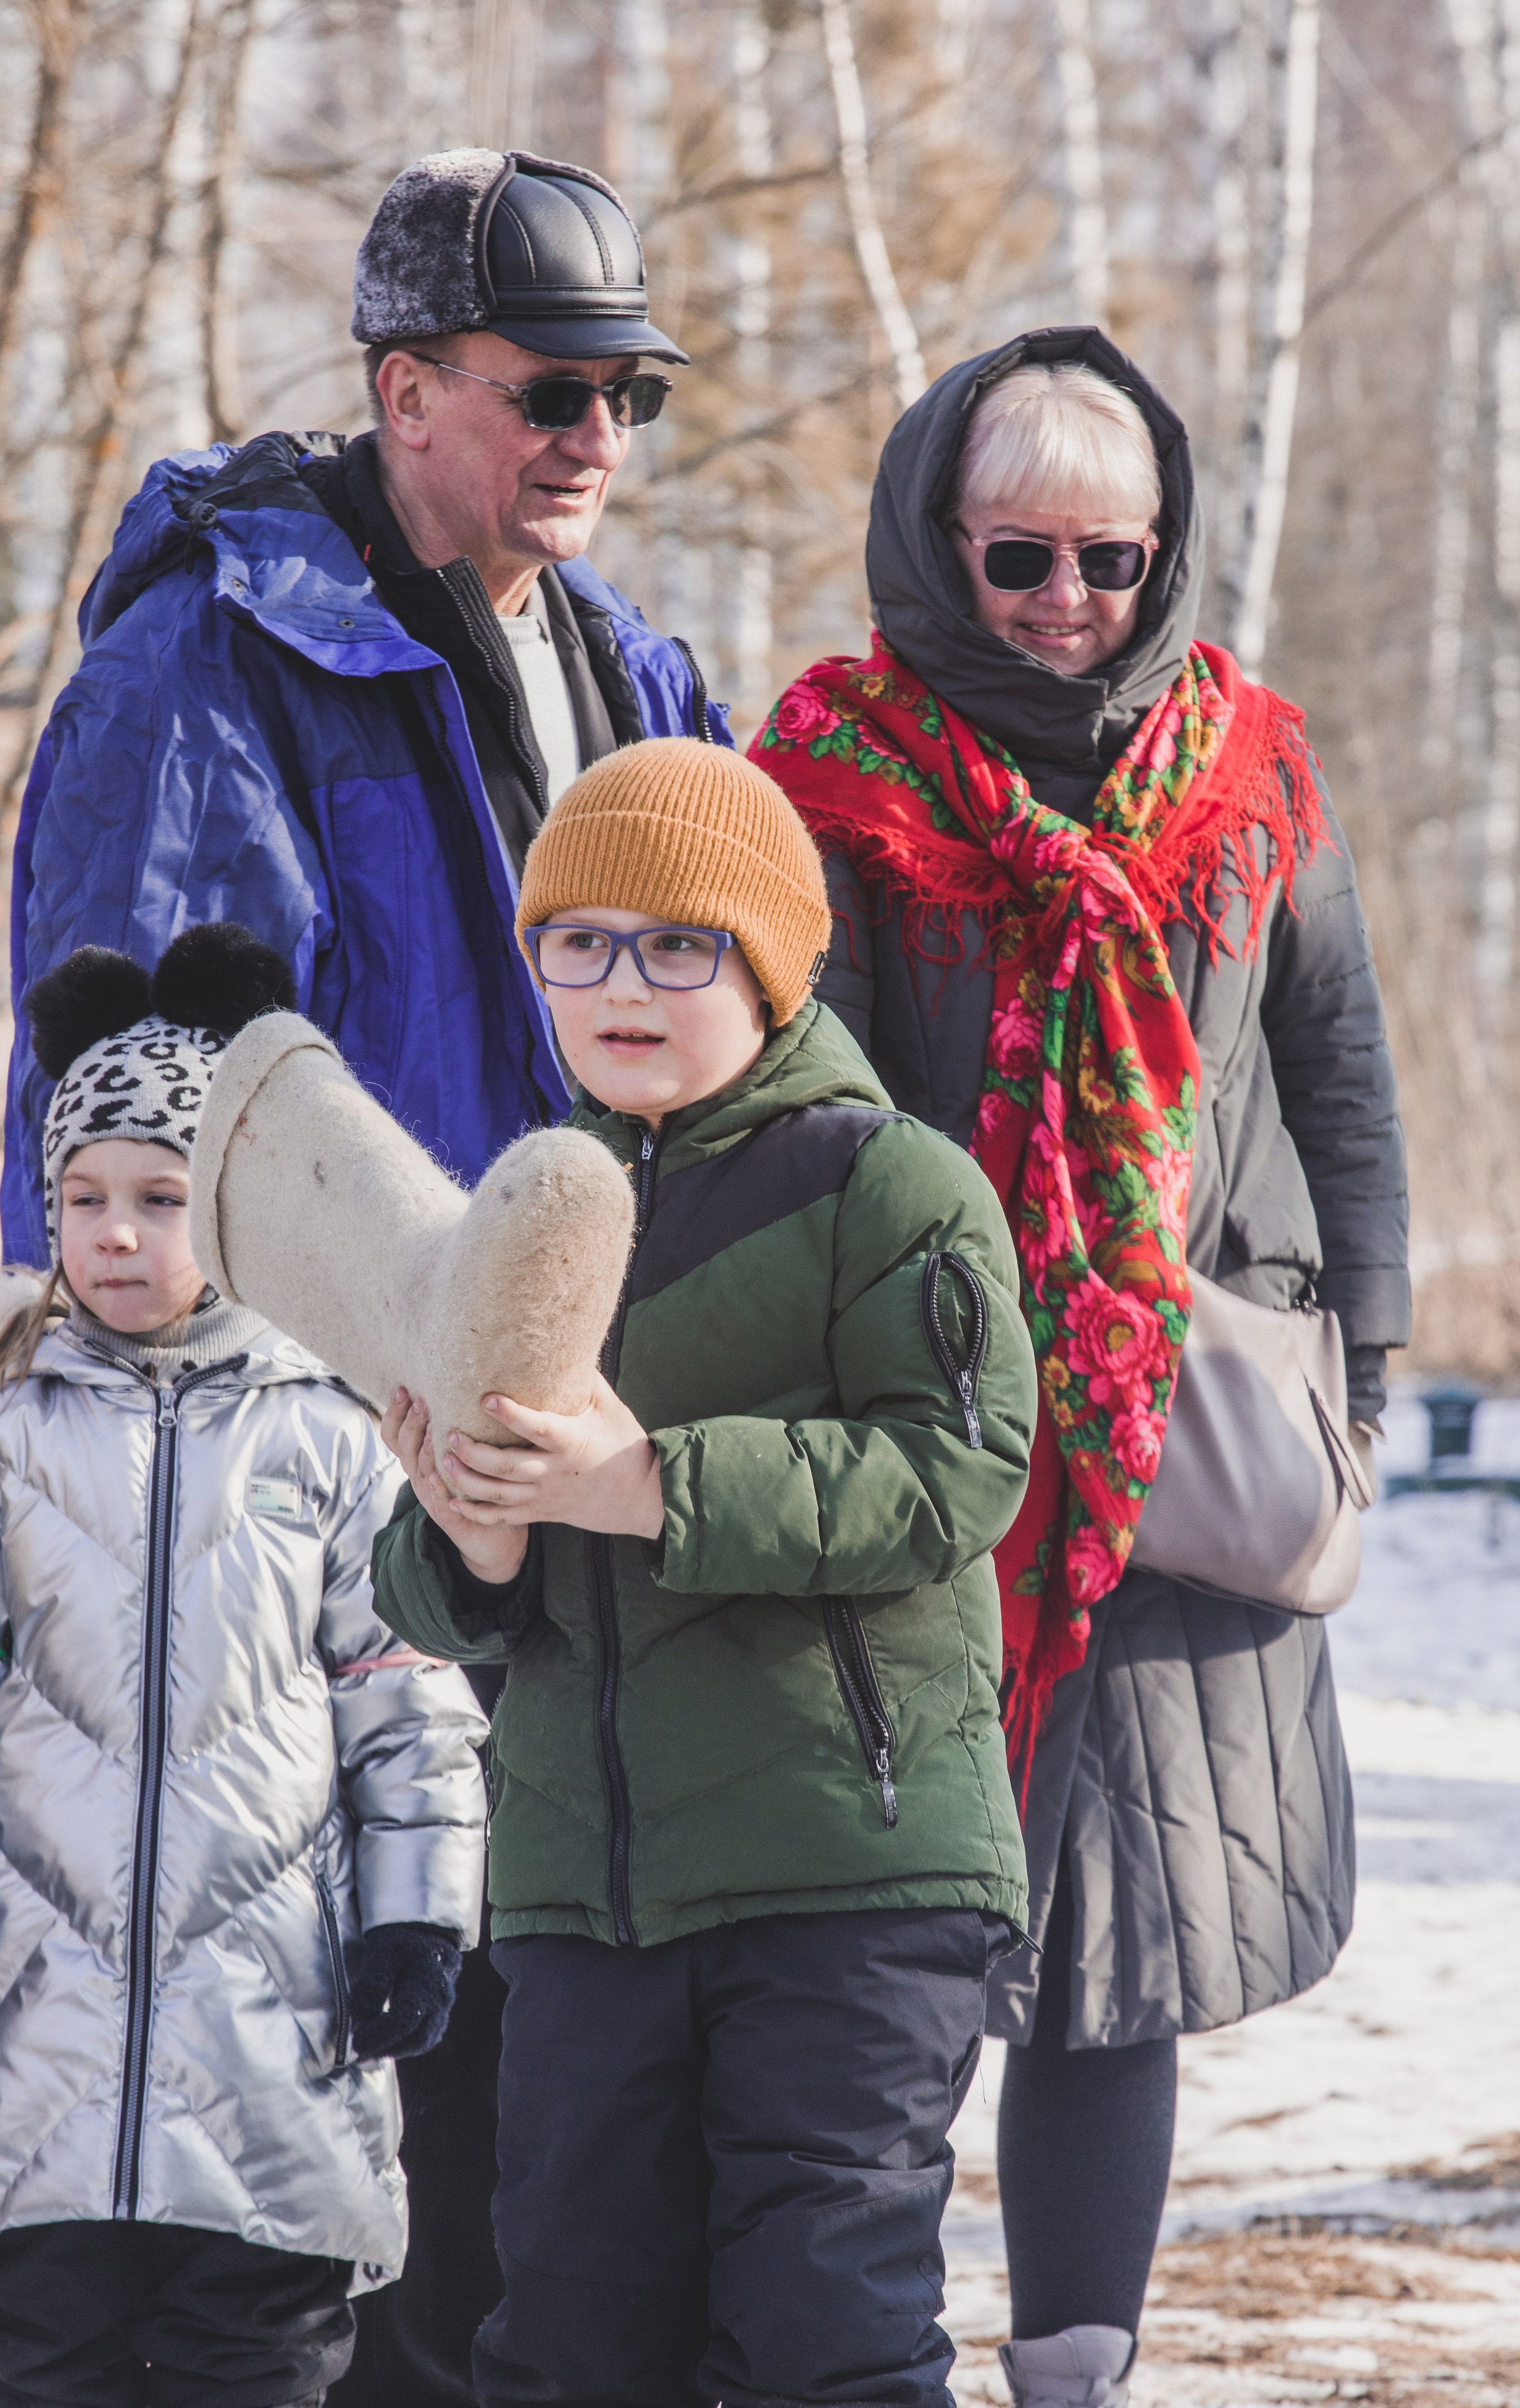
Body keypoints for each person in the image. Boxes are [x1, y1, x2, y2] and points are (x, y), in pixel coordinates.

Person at [0, 146, 729, 2405]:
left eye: (632, 394)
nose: (598, 435)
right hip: (322, 1528)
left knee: (564, 2137)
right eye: (552, 389)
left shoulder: (636, 664)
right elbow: (135, 1112)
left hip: (581, 1484)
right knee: (363, 2142)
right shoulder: (210, 654)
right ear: (409, 388)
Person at [751, 328, 1411, 2408]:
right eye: (1018, 555)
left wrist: (1352, 1364)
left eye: (1109, 561)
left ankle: (1072, 2378)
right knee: (877, 1958)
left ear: (1165, 552)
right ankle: (851, 2362)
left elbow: (1345, 1087)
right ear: (940, 541)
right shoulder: (834, 775)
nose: (1065, 604)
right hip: (925, 1452)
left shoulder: (1248, 771)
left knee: (1114, 1966)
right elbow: (802, 1115)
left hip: (1176, 1453)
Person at [361, 737, 1038, 2408]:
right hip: (585, 1899)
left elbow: (961, 1468)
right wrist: (471, 1526)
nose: (621, 983)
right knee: (575, 2344)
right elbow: (447, 1599)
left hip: (847, 1874)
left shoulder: (886, 1182)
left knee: (828, 2338)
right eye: (574, 942)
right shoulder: (521, 1214)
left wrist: (645, 1481)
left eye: (676, 942)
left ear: (769, 955)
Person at [0, 922, 487, 2408]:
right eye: (88, 1198)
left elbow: (407, 1699)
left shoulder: (327, 1430)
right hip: (36, 2057)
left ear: (236, 1207)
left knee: (253, 2373)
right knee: (34, 2366)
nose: (119, 1233)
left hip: (273, 2055)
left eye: (163, 1198)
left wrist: (416, 1926)